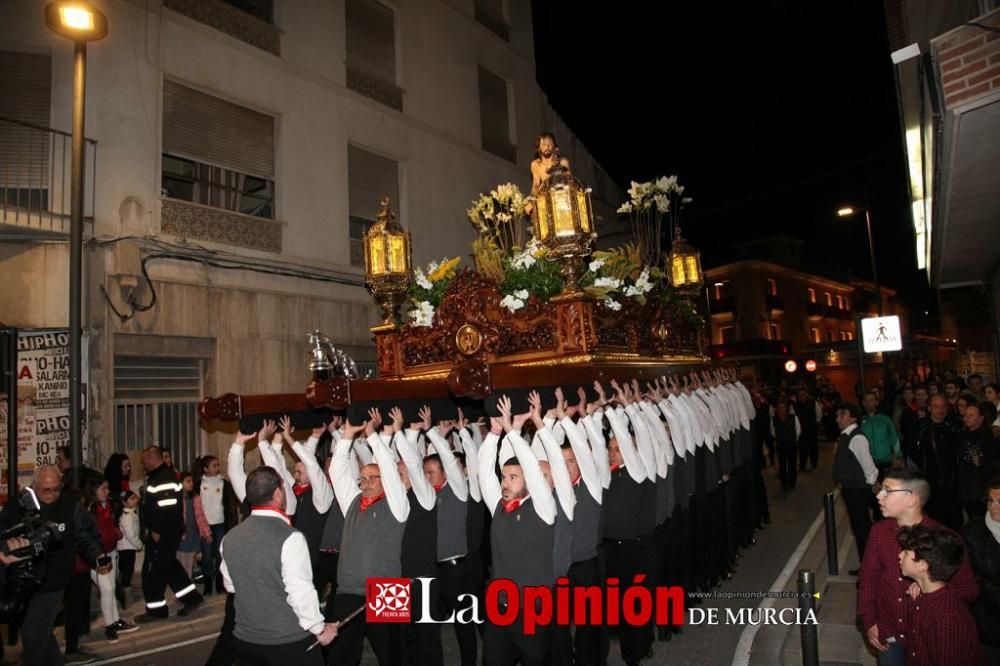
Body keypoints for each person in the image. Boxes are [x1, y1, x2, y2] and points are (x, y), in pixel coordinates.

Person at [857, 469, 979, 665]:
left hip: (926, 639)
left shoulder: (945, 539)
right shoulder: (879, 532)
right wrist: (869, 621)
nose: (880, 496)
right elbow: (868, 580)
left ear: (911, 499)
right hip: (890, 635)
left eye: (887, 491)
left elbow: (968, 590)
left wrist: (933, 587)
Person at [220, 466, 339, 665]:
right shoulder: (290, 537)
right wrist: (319, 629)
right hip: (286, 643)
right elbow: (301, 592)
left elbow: (231, 585)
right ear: (277, 494)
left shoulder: (230, 537)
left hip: (245, 640)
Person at [478, 394, 557, 666]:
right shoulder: (498, 505)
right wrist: (495, 432)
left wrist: (514, 432)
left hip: (534, 608)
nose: (505, 483)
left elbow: (534, 473)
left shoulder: (543, 506)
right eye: (504, 477)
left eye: (513, 478)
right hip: (500, 606)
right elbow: (483, 472)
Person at [326, 413, 409, 666]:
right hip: (348, 591)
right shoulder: (352, 502)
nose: (366, 482)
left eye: (373, 477)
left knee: (391, 656)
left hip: (387, 591)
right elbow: (337, 472)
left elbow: (388, 467)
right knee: (341, 657)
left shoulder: (397, 504)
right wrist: (347, 436)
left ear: (386, 480)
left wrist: (372, 435)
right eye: (363, 478)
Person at [0, 465, 104, 666]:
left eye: (57, 489)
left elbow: (86, 535)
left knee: (32, 635)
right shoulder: (18, 505)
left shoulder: (70, 506)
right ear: (35, 486)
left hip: (54, 581)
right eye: (46, 490)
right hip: (24, 578)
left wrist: (96, 555)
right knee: (39, 631)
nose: (52, 494)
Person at [895, 524, 983, 666]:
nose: (899, 555)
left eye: (905, 553)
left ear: (923, 566)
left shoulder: (945, 615)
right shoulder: (924, 595)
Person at [135, 445, 204, 623]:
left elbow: (166, 508)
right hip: (166, 531)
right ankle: (192, 598)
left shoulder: (163, 478)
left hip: (164, 532)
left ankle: (157, 610)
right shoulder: (158, 476)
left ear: (152, 458)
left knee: (153, 571)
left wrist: (157, 529)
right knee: (168, 566)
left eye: (144, 461)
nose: (143, 465)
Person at [83, 475, 138, 642]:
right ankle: (110, 625)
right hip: (97, 556)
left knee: (111, 588)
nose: (107, 492)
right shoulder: (89, 509)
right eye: (103, 489)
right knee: (106, 589)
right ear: (93, 491)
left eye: (107, 488)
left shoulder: (107, 506)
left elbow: (111, 527)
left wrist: (116, 533)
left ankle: (115, 620)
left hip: (111, 552)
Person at [832, 403, 879, 573]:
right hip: (851, 489)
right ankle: (866, 566)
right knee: (859, 528)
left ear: (852, 417)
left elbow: (868, 466)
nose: (838, 419)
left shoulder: (857, 438)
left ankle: (868, 569)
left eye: (841, 415)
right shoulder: (846, 436)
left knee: (862, 529)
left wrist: (873, 484)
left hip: (857, 490)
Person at [962, 476, 1000, 664]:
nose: (994, 506)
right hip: (987, 619)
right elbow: (971, 576)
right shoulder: (972, 532)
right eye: (990, 500)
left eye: (999, 501)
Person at [195, 454, 238, 595]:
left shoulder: (223, 483)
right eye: (214, 465)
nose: (217, 467)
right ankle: (208, 584)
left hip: (219, 524)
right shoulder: (200, 485)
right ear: (205, 469)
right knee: (206, 556)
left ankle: (220, 583)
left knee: (220, 555)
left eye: (218, 465)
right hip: (205, 524)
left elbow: (229, 506)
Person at [959, 402, 998, 521]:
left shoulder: (990, 437)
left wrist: (981, 462)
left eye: (971, 415)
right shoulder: (962, 435)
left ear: (981, 418)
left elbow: (996, 463)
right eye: (965, 415)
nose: (966, 418)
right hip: (966, 487)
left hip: (983, 487)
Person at [176, 471, 210, 580]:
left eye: (191, 481)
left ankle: (188, 589)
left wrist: (206, 533)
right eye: (187, 481)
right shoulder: (177, 499)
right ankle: (181, 590)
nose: (191, 484)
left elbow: (201, 517)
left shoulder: (195, 497)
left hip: (193, 535)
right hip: (182, 536)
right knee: (181, 564)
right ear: (180, 483)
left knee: (189, 565)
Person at [861, 391, 902, 477]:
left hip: (886, 461)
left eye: (871, 400)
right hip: (867, 462)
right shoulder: (859, 421)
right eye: (866, 401)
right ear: (863, 403)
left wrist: (898, 456)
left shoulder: (885, 419)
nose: (869, 403)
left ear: (877, 402)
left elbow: (894, 438)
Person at [115, 490, 142, 610]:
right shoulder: (127, 516)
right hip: (126, 547)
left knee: (126, 570)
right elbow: (130, 534)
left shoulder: (130, 513)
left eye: (134, 498)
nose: (135, 500)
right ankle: (124, 595)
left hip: (127, 547)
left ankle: (124, 591)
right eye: (131, 499)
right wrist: (139, 544)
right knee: (127, 571)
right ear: (124, 503)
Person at [770, 399, 800, 491]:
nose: (781, 409)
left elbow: (798, 430)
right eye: (779, 407)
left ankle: (792, 482)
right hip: (781, 445)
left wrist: (793, 439)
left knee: (792, 464)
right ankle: (784, 482)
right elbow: (772, 431)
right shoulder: (774, 419)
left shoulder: (793, 417)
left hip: (791, 444)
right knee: (782, 465)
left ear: (787, 408)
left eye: (783, 407)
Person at [793, 388, 821, 472]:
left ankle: (814, 464)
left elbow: (819, 414)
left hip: (812, 428)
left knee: (813, 447)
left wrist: (814, 423)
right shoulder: (795, 405)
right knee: (802, 448)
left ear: (807, 395)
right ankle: (802, 465)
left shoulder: (813, 403)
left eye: (804, 394)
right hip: (801, 430)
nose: (802, 396)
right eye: (800, 395)